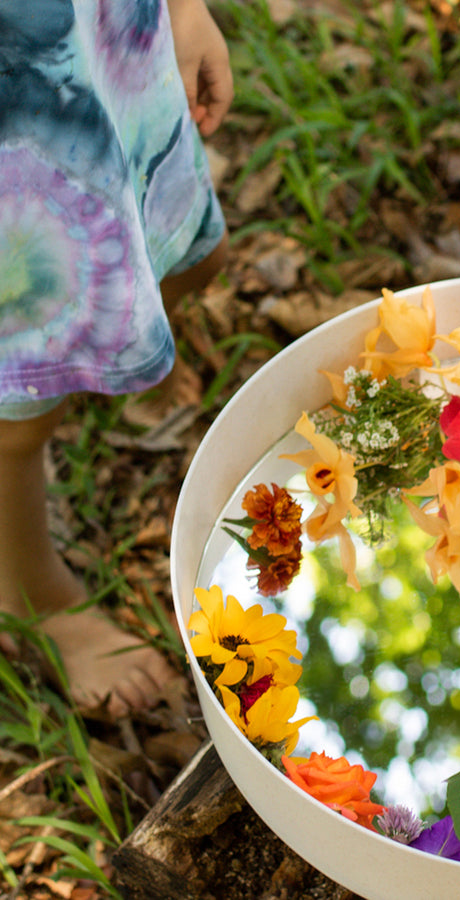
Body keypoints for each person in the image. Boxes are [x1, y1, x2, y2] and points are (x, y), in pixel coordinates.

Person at [0, 0, 234, 716]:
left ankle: (112, 336)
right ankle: (29, 590)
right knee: (19, 386)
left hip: (96, 30)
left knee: (189, 252)